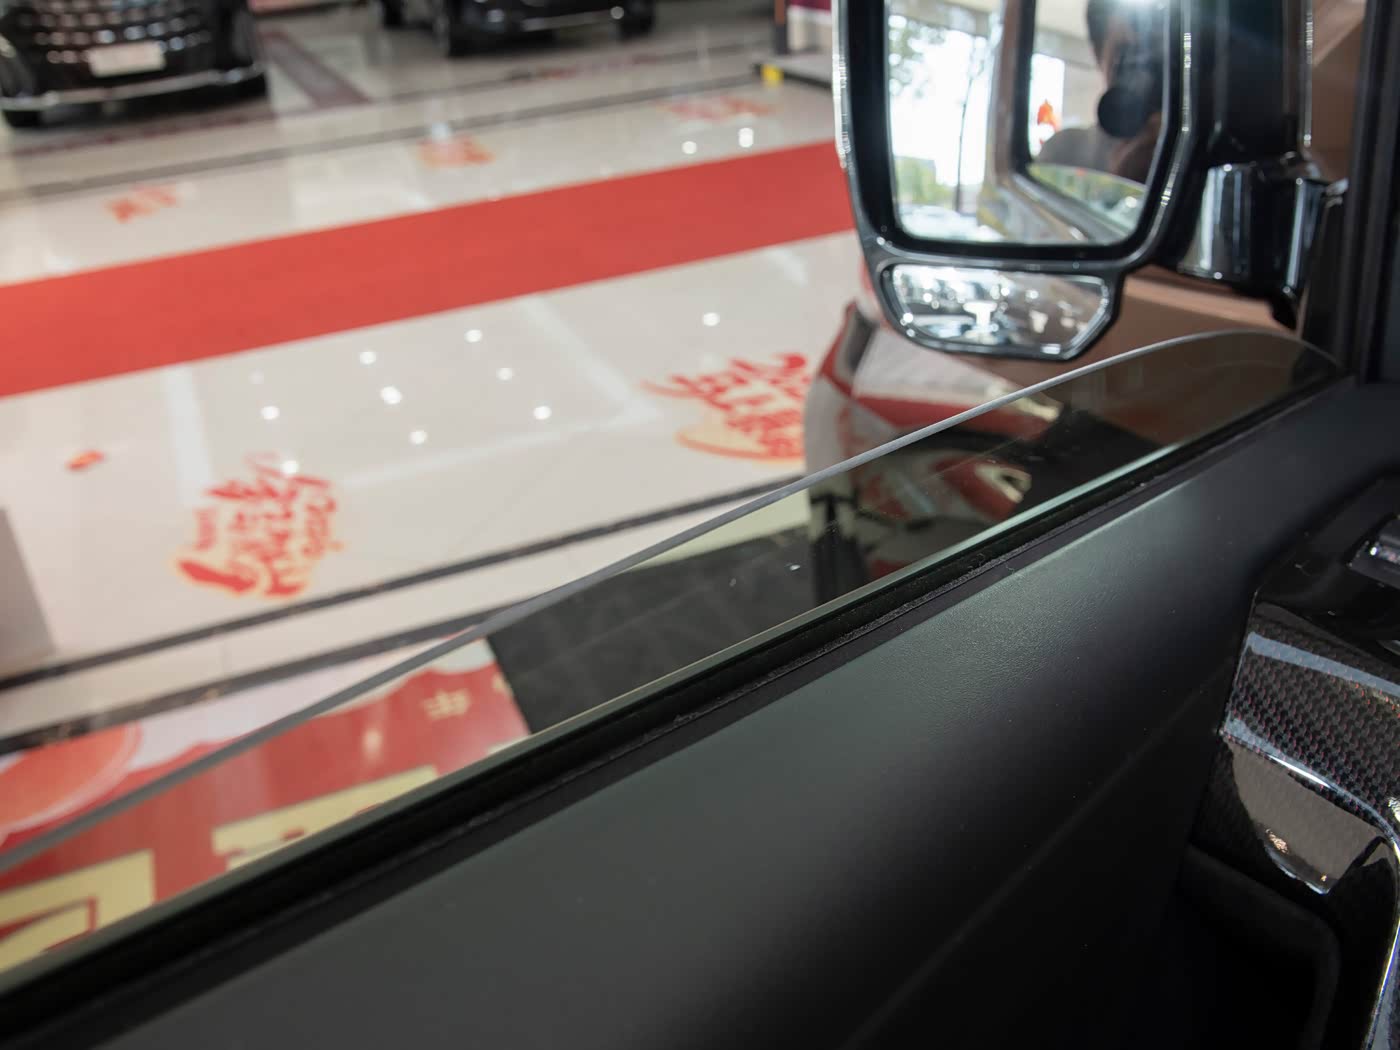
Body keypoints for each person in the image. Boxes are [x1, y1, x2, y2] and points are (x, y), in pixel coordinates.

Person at [1038, 0, 1163, 183]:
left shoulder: (1195, 141)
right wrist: (1121, 182)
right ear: (1099, 55)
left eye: (1157, 54)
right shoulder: (1064, 152)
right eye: (1126, 53)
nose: (1144, 71)